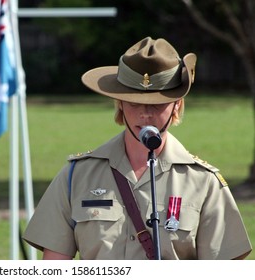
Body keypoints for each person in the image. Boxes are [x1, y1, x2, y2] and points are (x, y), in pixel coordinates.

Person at [22, 36, 252, 260]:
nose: (145, 113)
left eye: (158, 104)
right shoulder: (77, 175)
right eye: (134, 102)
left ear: (177, 106)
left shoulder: (204, 182)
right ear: (119, 104)